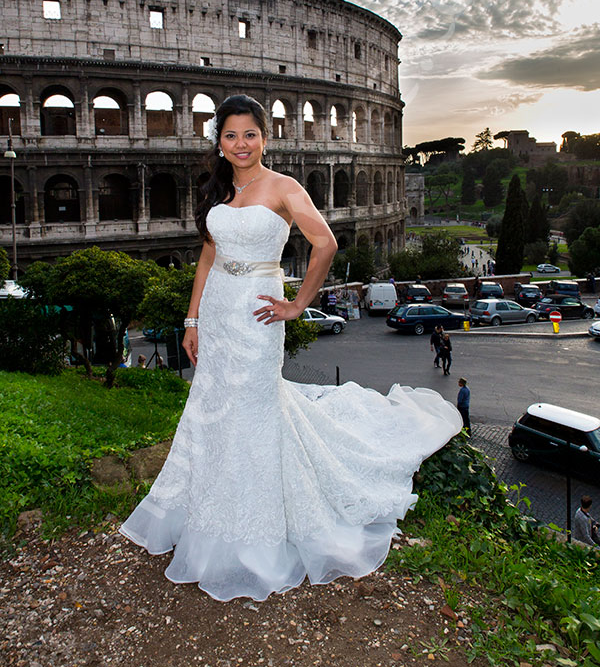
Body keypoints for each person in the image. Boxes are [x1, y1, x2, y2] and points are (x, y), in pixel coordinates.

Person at [119, 94, 462, 602]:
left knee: (255, 409)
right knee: (212, 408)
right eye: (230, 135)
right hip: (217, 310)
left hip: (259, 314)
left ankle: (255, 531)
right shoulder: (216, 189)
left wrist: (298, 305)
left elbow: (325, 244)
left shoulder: (283, 187)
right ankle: (208, 510)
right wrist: (192, 320)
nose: (240, 144)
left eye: (250, 134)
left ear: (265, 136)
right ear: (219, 140)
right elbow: (208, 257)